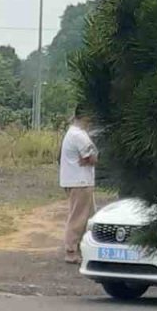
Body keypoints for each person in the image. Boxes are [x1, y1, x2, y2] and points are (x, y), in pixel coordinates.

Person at [59, 109, 99, 263]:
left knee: (88, 216)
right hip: (80, 181)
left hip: (79, 180)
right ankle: (71, 250)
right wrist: (92, 157)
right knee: (78, 217)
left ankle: (82, 248)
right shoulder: (79, 135)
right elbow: (92, 157)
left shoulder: (73, 133)